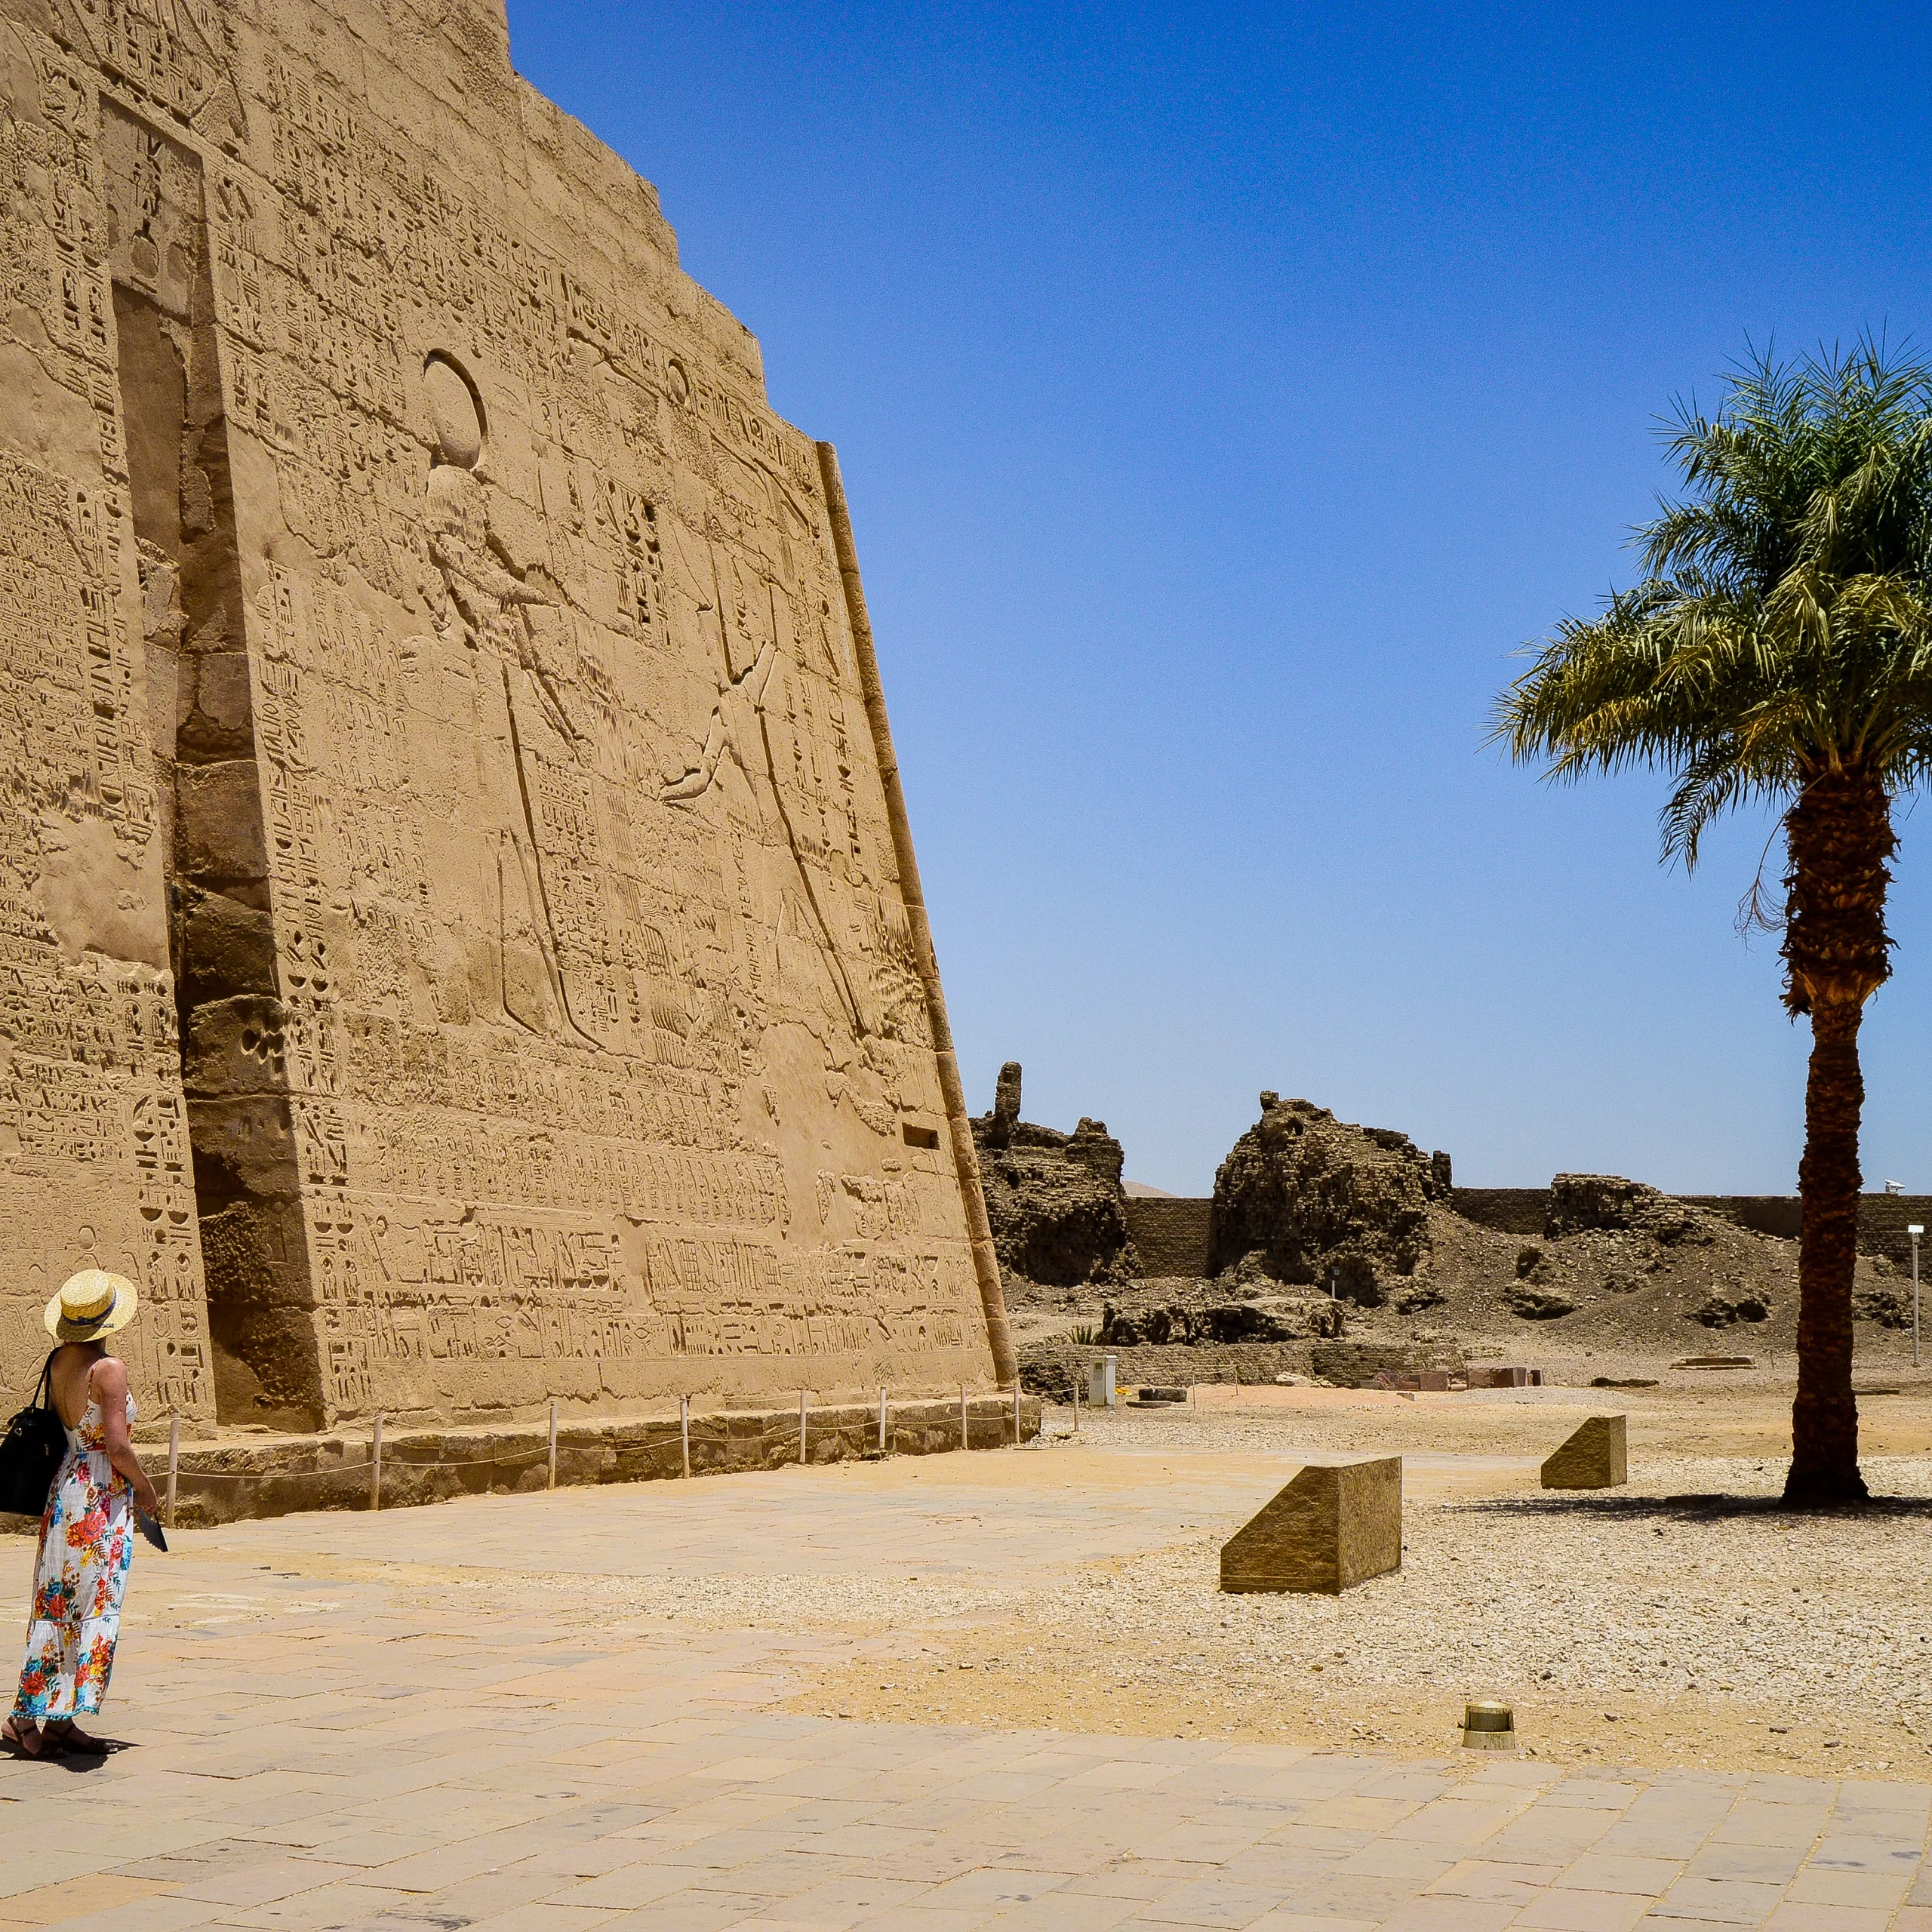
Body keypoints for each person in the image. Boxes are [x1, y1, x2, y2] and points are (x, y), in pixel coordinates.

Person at [2, 1270, 158, 1758]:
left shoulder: (58, 1360)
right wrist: (146, 1488)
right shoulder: (108, 1369)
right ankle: (23, 1717)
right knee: (89, 1604)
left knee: (60, 1603)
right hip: (99, 1496)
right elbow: (116, 1445)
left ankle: (60, 1720)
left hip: (65, 1487)